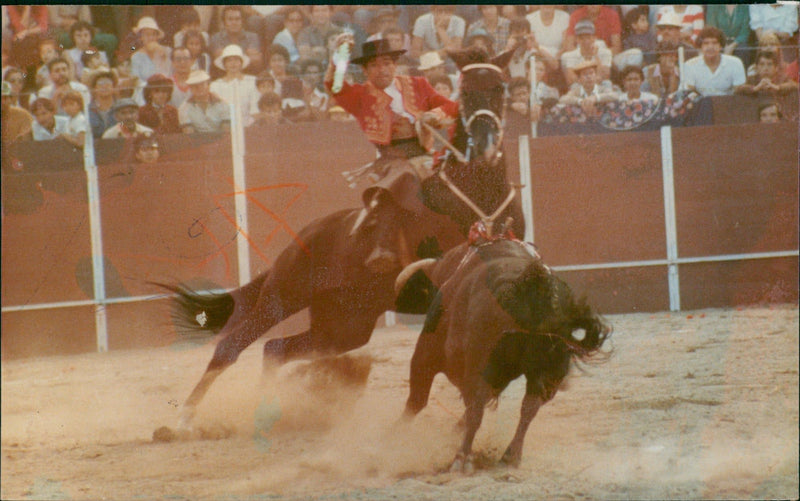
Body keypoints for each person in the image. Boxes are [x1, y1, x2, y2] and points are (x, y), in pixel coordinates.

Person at [324, 36, 459, 268]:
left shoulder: (418, 85)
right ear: (365, 71)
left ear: (395, 65)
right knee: (400, 180)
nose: (382, 69)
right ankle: (383, 245)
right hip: (391, 158)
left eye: (386, 63)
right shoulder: (360, 95)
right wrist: (341, 55)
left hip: (427, 155)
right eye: (374, 65)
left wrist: (433, 116)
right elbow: (334, 86)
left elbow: (451, 107)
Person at [683, 26, 746, 96]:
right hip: (700, 104)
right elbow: (688, 93)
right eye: (706, 43)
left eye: (715, 43)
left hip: (728, 104)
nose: (710, 47)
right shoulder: (690, 65)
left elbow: (740, 93)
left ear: (721, 46)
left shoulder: (735, 63)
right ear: (700, 46)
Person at [210, 44, 260, 127]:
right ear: (224, 64)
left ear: (241, 62)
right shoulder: (215, 85)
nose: (233, 63)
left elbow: (255, 111)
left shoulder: (252, 81)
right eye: (229, 60)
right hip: (224, 129)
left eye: (236, 60)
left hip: (249, 128)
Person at [209, 6, 263, 75]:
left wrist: (229, 56)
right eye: (230, 19)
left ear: (242, 21)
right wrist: (246, 55)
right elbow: (220, 60)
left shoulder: (252, 37)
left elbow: (256, 60)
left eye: (237, 19)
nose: (234, 22)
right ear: (224, 22)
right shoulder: (216, 38)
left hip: (248, 74)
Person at [561, 20, 612, 86]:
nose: (586, 41)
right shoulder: (570, 56)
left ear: (594, 38)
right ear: (577, 40)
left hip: (600, 87)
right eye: (582, 38)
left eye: (588, 37)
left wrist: (596, 56)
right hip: (580, 88)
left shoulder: (606, 53)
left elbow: (605, 76)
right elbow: (571, 80)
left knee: (607, 84)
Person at [177, 69, 230, 134]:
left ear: (208, 85)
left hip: (220, 142)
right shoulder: (184, 108)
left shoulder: (223, 104)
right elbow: (189, 135)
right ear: (190, 88)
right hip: (197, 142)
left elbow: (226, 132)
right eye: (194, 85)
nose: (198, 88)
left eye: (202, 84)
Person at [130, 17, 172, 86]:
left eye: (154, 34)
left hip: (166, 90)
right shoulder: (136, 56)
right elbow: (136, 80)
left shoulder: (167, 51)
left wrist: (163, 56)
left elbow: (171, 73)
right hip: (145, 92)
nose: (151, 38)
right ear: (141, 37)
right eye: (147, 35)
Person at [87, 70, 117, 137]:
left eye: (108, 83)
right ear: (95, 88)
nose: (104, 86)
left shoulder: (120, 108)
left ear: (114, 87)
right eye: (100, 84)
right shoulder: (88, 109)